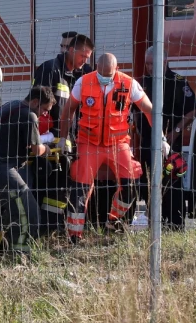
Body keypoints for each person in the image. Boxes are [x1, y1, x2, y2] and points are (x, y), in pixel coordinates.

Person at [62, 53, 155, 241]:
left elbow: (149, 109)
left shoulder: (129, 84)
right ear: (96, 68)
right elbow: (68, 109)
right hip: (89, 142)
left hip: (118, 142)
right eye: (101, 74)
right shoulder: (84, 82)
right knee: (80, 188)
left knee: (131, 185)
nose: (104, 78)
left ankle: (114, 221)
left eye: (108, 74)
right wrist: (63, 138)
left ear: (116, 70)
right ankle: (74, 236)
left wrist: (160, 137)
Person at [0, 85, 55, 253]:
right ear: (35, 102)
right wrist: (47, 149)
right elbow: (36, 149)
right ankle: (22, 252)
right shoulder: (29, 116)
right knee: (29, 210)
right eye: (44, 109)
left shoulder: (8, 105)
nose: (45, 114)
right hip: (2, 168)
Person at [135, 46, 196, 229]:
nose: (148, 67)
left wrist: (177, 130)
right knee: (149, 182)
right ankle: (154, 223)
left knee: (172, 181)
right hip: (147, 141)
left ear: (164, 62)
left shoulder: (177, 81)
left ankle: (175, 223)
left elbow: (194, 109)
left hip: (171, 143)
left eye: (152, 64)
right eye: (147, 63)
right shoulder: (143, 82)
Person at [35, 32, 94, 125]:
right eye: (82, 56)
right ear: (71, 50)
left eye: (87, 57)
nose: (85, 61)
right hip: (51, 136)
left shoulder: (81, 74)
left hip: (70, 135)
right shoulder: (50, 69)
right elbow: (38, 104)